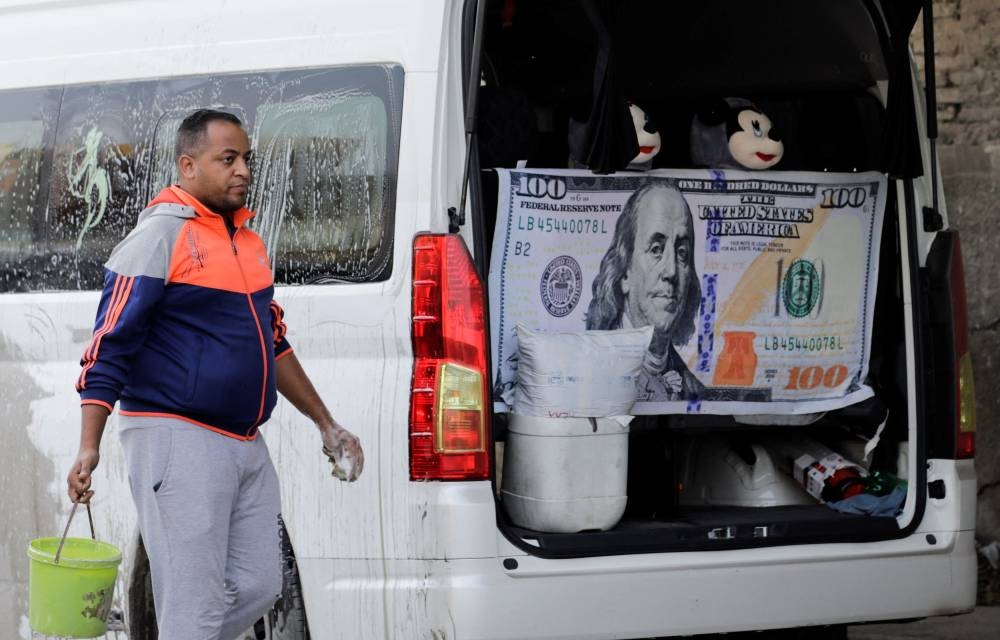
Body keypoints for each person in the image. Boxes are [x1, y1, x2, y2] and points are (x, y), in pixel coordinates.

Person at [66, 109, 364, 640]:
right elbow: (109, 344)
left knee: (258, 585)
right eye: (227, 159)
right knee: (193, 605)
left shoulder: (246, 240)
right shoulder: (158, 236)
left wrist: (326, 423)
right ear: (188, 165)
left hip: (244, 442)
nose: (242, 170)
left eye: (246, 158)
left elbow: (273, 343)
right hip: (176, 439)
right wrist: (90, 444)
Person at [586, 180, 705, 401]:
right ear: (624, 272)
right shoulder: (585, 372)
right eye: (656, 249)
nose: (671, 271)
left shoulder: (695, 393)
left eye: (682, 253)